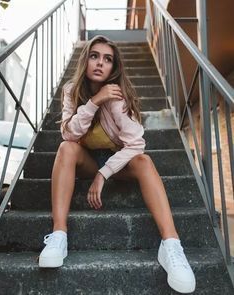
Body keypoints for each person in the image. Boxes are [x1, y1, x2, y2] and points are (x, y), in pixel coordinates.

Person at [38, 35, 196, 294]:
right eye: (94, 56)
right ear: (85, 60)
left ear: (114, 67)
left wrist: (103, 173)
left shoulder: (118, 95)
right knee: (66, 148)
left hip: (119, 162)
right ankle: (58, 235)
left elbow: (136, 145)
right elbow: (69, 135)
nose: (100, 63)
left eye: (107, 59)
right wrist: (93, 102)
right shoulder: (71, 90)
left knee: (144, 162)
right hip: (86, 160)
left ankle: (171, 246)